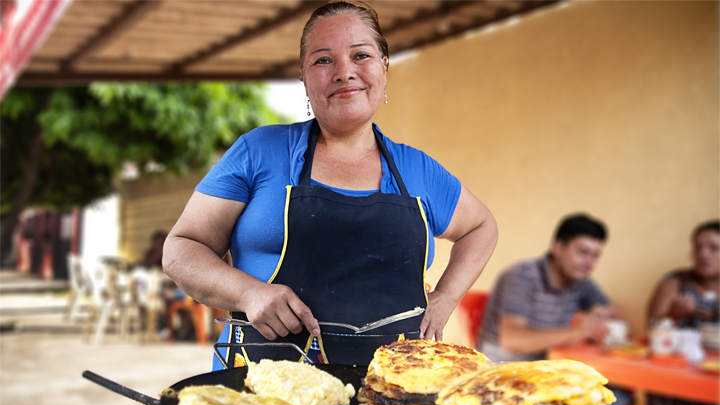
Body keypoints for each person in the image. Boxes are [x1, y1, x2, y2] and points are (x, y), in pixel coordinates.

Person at [163, 1, 497, 370]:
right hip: (261, 388)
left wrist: (447, 297)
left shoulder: (419, 169)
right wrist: (248, 293)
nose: (344, 72)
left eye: (361, 55)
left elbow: (481, 227)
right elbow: (180, 249)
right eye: (323, 60)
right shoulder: (259, 152)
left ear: (384, 67)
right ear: (304, 78)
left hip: (396, 392)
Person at [477, 213, 632, 405]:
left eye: (596, 255)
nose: (589, 262)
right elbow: (511, 339)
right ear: (558, 247)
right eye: (583, 252)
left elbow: (621, 319)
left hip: (546, 373)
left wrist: (602, 315)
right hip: (504, 375)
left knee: (621, 402)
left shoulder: (579, 282)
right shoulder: (523, 277)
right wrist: (575, 332)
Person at [645, 220, 719, 405]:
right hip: (683, 378)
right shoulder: (676, 282)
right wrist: (672, 315)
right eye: (698, 247)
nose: (704, 253)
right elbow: (653, 328)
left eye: (713, 247)